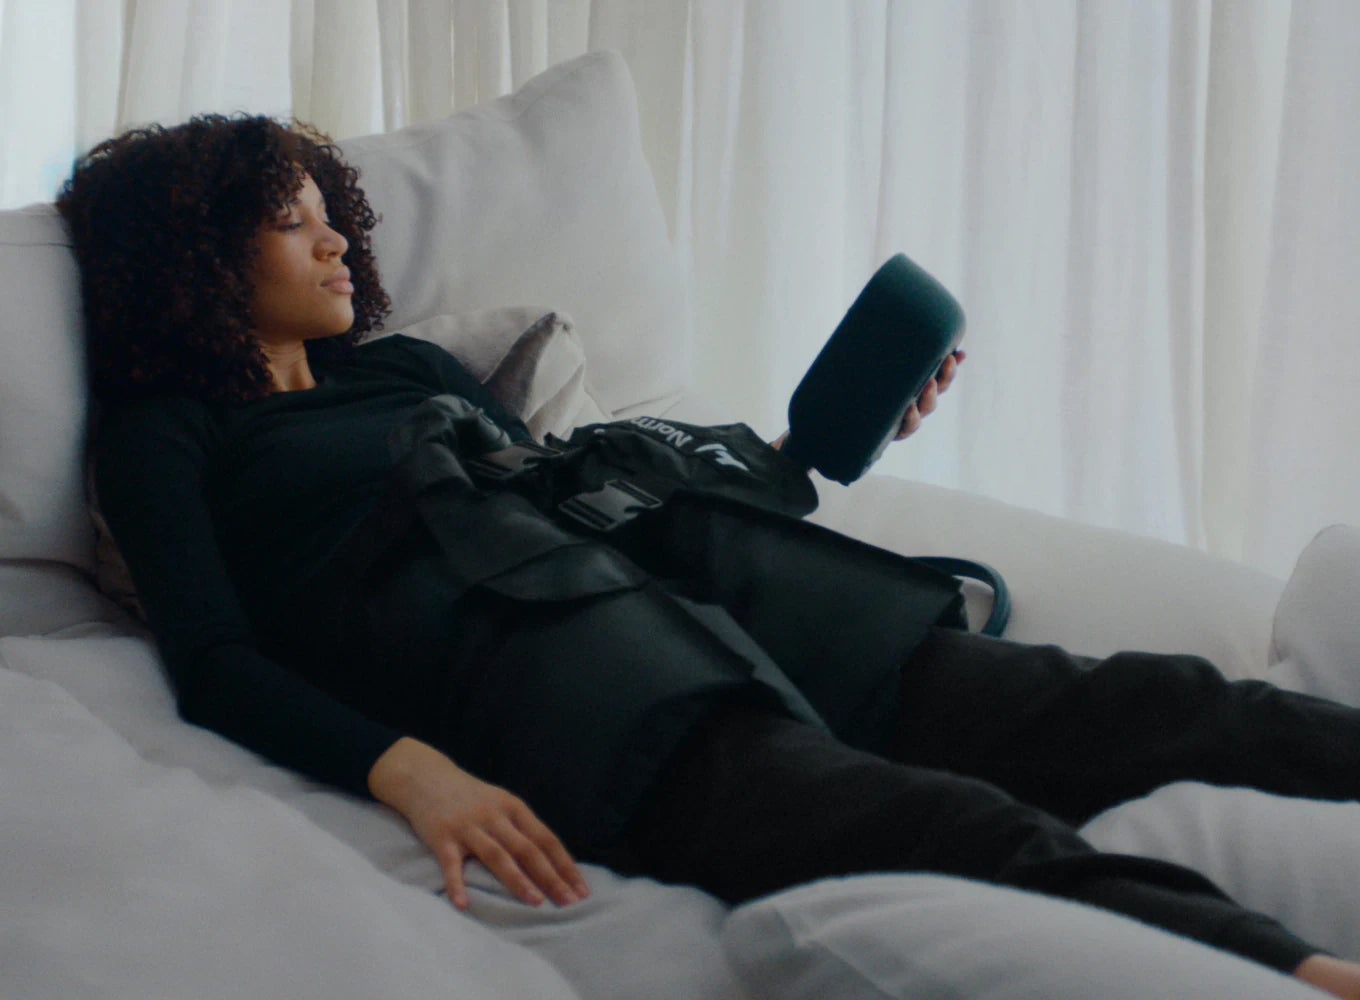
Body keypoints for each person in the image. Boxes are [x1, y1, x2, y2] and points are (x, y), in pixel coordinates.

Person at [56, 113, 1360, 998]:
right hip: (581, 695)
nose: (338, 239)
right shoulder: (170, 436)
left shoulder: (404, 369)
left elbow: (587, 495)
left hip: (716, 598)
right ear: (197, 258)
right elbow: (214, 660)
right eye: (292, 224)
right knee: (955, 829)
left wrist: (814, 447)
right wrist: (414, 773)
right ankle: (1301, 974)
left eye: (325, 214)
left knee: (1145, 703)